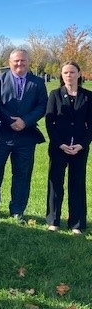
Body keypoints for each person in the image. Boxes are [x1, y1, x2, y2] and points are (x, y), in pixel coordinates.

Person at [0, 49, 48, 223]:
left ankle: (17, 209)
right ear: (9, 62)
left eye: (23, 61)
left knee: (22, 174)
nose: (19, 64)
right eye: (16, 61)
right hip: (1, 133)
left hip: (26, 136)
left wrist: (25, 121)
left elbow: (42, 105)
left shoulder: (37, 82)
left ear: (28, 62)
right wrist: (10, 121)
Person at [45, 61, 92, 234]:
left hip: (80, 147)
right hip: (59, 146)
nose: (69, 75)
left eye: (72, 72)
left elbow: (91, 124)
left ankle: (77, 223)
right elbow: (50, 123)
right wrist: (60, 144)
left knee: (77, 183)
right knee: (55, 182)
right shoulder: (55, 94)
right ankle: (53, 220)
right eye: (65, 72)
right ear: (61, 75)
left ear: (79, 74)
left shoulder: (88, 96)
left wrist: (82, 144)